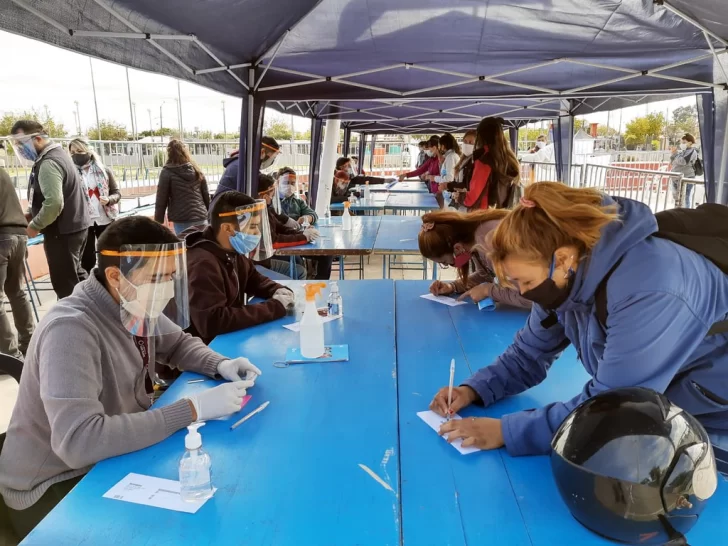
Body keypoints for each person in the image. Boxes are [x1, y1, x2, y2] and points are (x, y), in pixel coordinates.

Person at [0, 216, 262, 540]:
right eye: (157, 278)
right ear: (115, 276)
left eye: (170, 277)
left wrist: (220, 363)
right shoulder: (70, 329)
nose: (166, 288)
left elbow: (178, 343)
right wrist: (190, 410)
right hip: (54, 485)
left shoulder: (133, 305)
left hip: (106, 460)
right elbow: (79, 441)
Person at [430, 182, 728, 457]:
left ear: (562, 260)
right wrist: (473, 390)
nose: (523, 293)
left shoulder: (653, 286)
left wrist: (506, 431)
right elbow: (527, 355)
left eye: (525, 283)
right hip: (664, 407)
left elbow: (616, 406)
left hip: (714, 416)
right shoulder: (562, 275)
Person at [185, 191, 295, 344]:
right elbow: (212, 322)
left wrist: (275, 289)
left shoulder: (232, 250)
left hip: (229, 338)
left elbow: (253, 279)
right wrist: (273, 307)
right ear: (228, 228)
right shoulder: (202, 264)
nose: (257, 233)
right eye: (253, 227)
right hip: (208, 348)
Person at [9, 120, 90, 299]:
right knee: (76, 277)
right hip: (75, 227)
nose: (19, 149)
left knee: (65, 284)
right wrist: (32, 213)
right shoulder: (59, 154)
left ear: (37, 139)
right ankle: (93, 315)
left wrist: (35, 225)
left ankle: (74, 323)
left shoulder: (49, 163)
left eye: (21, 143)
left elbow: (54, 203)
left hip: (61, 232)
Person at [418, 209, 531, 309]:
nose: (450, 265)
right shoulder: (475, 237)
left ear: (457, 248)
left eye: (445, 262)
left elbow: (531, 297)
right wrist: (453, 287)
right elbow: (486, 274)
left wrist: (487, 290)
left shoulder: (490, 242)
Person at [68, 138, 122, 274]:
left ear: (88, 151)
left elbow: (116, 193)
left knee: (110, 254)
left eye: (80, 151)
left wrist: (109, 199)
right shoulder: (70, 172)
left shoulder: (104, 170)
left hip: (105, 218)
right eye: (72, 152)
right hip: (84, 221)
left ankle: (111, 281)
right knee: (87, 259)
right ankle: (90, 287)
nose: (76, 155)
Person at [0, 166, 34, 359]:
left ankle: (10, 356)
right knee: (17, 292)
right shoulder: (3, 172)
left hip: (3, 237)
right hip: (19, 234)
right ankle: (29, 345)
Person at [275, 167, 332, 280]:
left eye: (292, 183)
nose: (290, 186)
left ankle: (320, 284)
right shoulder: (273, 202)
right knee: (296, 261)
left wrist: (306, 218)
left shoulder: (298, 202)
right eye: (286, 183)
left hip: (300, 239)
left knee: (327, 254)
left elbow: (314, 215)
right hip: (282, 241)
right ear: (277, 182)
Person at [256, 174, 315, 280]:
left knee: (298, 263)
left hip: (264, 258)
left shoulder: (266, 210)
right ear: (264, 196)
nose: (273, 197)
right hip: (260, 261)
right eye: (272, 194)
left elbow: (281, 228)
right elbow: (273, 241)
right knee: (298, 271)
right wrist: (304, 237)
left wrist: (302, 232)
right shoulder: (258, 213)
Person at [463, 117, 521, 211]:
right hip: (504, 214)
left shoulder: (484, 161)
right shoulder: (509, 159)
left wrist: (460, 197)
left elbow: (473, 197)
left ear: (480, 136)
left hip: (484, 216)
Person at [154, 139, 210, 235]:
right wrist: (209, 213)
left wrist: (157, 221)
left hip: (182, 218)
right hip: (201, 216)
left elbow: (161, 198)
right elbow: (205, 194)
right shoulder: (196, 169)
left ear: (169, 153)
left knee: (185, 246)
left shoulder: (167, 171)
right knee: (202, 245)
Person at [213, 136, 281, 198]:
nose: (271, 162)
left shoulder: (243, 164)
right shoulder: (242, 168)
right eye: (272, 158)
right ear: (262, 152)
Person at [441, 130, 476, 210]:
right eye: (465, 141)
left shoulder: (474, 162)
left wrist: (448, 185)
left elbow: (467, 185)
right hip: (458, 201)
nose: (467, 144)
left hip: (467, 204)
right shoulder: (463, 160)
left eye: (470, 142)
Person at [426, 133, 460, 209]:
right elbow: (444, 174)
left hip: (451, 194)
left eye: (439, 146)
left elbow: (449, 178)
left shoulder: (451, 157)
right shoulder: (448, 157)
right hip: (448, 194)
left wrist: (434, 178)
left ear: (443, 146)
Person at [670, 133, 699, 208]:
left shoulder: (692, 152)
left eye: (684, 142)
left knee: (685, 198)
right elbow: (672, 161)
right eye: (681, 142)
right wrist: (674, 155)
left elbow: (683, 161)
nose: (682, 144)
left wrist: (675, 155)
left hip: (687, 178)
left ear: (690, 142)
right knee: (677, 198)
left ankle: (685, 214)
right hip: (676, 178)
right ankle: (678, 213)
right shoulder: (682, 152)